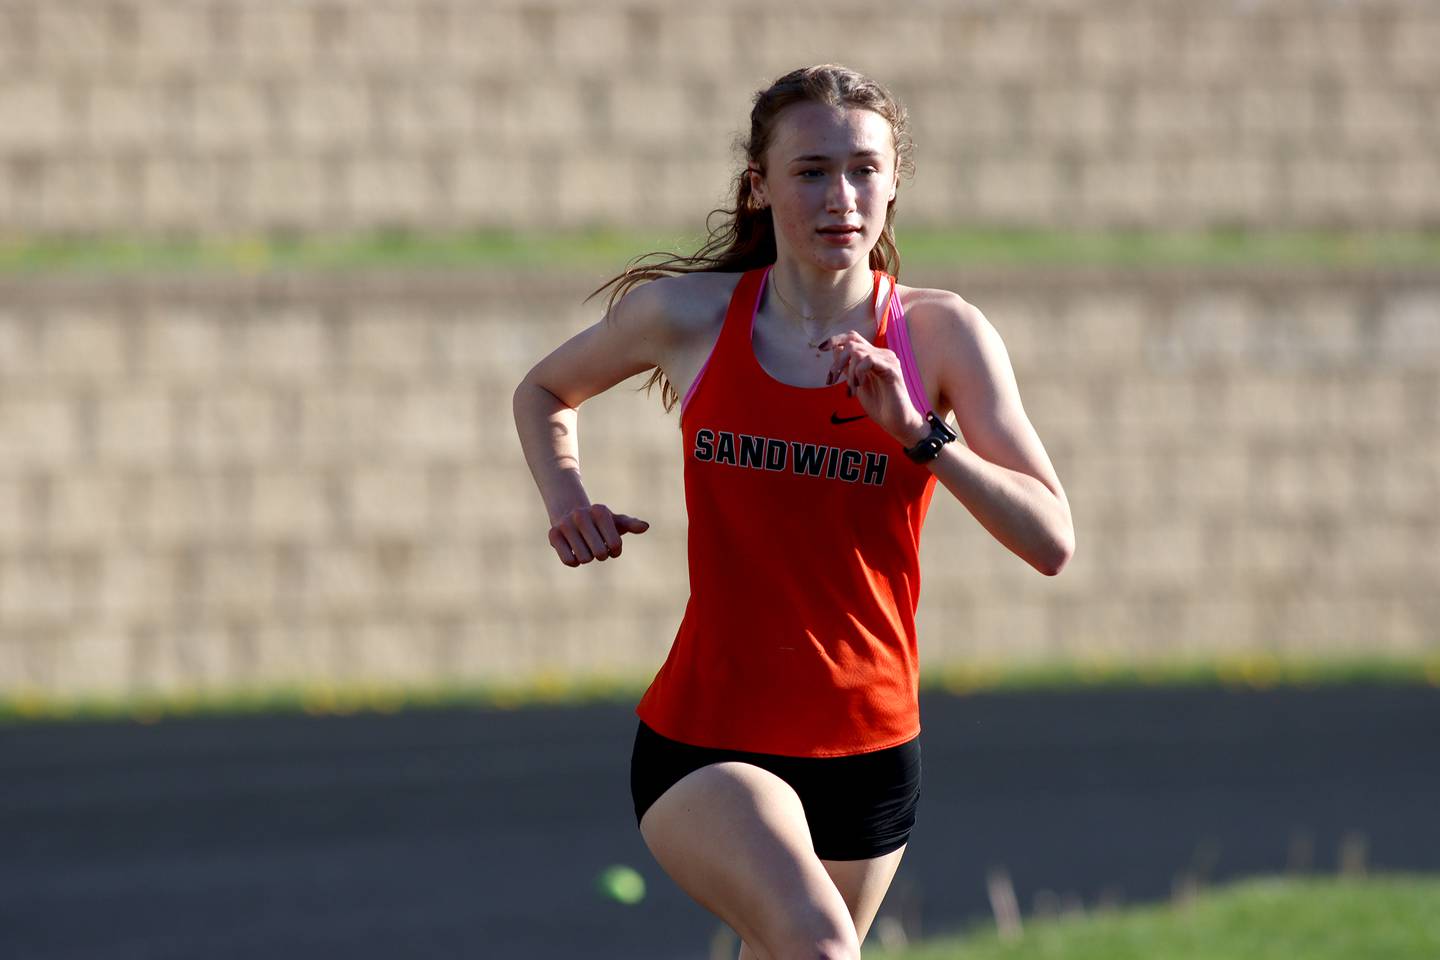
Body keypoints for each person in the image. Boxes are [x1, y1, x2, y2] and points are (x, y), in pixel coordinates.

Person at [513, 64, 1074, 960]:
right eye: (811, 170)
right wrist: (566, 496)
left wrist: (922, 435)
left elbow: (1051, 540)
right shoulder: (689, 317)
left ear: (895, 184)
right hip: (708, 738)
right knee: (820, 947)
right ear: (760, 185)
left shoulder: (941, 335)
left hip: (871, 748)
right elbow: (545, 389)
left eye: (863, 170)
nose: (839, 196)